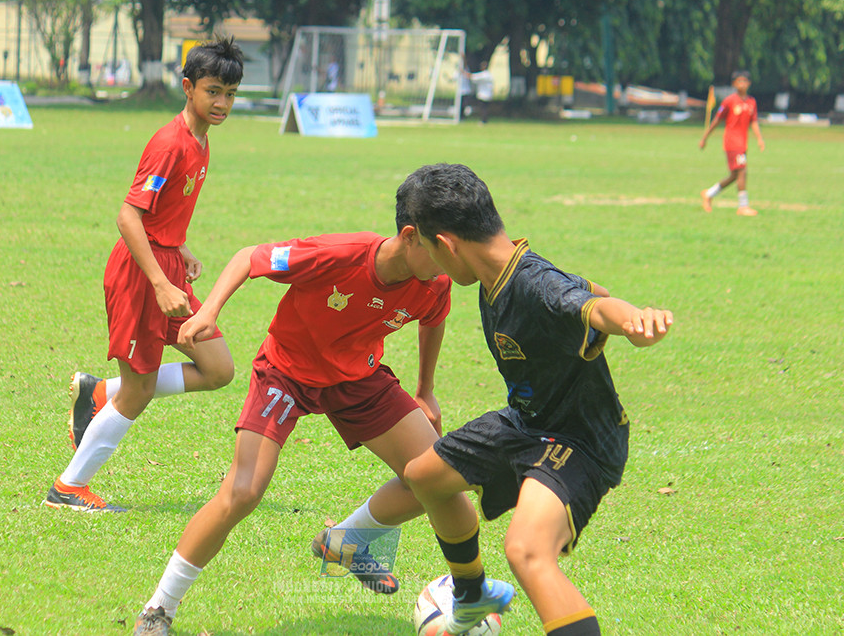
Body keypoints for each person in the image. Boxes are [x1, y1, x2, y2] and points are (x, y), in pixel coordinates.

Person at [131, 187, 452, 635]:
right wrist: (211, 312)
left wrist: (426, 389)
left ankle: (342, 543)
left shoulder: (436, 281)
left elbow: (434, 319)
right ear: (410, 236)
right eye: (443, 251)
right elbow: (250, 257)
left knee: (436, 475)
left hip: (358, 379)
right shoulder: (339, 255)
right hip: (287, 372)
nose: (451, 264)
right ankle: (159, 608)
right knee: (242, 492)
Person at [401, 163, 674, 635]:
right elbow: (586, 292)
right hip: (527, 422)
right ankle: (471, 596)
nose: (433, 264)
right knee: (423, 475)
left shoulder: (531, 284)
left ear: (446, 244)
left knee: (526, 550)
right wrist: (597, 302)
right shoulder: (501, 271)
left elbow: (594, 305)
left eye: (428, 250)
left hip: (581, 440)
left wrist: (632, 320)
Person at [43, 37, 244, 513]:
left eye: (231, 94)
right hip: (142, 274)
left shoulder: (202, 141)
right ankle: (68, 489)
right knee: (141, 390)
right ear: (187, 86)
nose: (222, 103)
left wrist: (182, 248)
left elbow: (160, 213)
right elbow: (129, 217)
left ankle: (98, 393)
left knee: (219, 368)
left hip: (167, 264)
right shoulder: (169, 143)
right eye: (213, 91)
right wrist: (159, 281)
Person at [699, 70, 765, 216]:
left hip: (743, 143)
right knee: (742, 171)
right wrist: (705, 137)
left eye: (744, 81)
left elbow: (753, 121)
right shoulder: (729, 101)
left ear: (749, 84)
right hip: (732, 143)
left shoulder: (751, 102)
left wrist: (759, 138)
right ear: (734, 84)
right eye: (739, 81)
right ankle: (743, 206)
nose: (742, 84)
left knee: (735, 175)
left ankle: (709, 194)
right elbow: (717, 120)